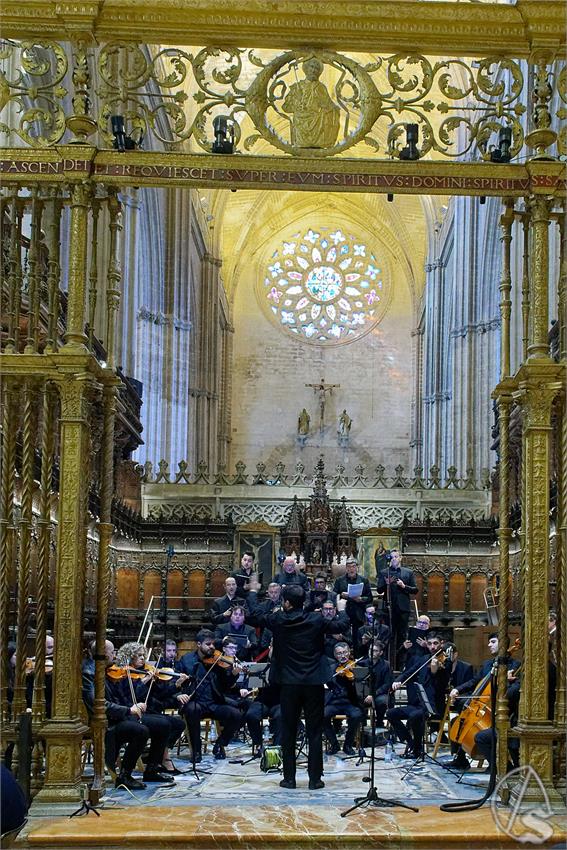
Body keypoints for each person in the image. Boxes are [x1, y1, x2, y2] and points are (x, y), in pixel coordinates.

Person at [247, 583, 349, 790]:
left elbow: (255, 616)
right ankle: (315, 779)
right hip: (313, 683)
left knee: (289, 730)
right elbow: (341, 626)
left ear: (286, 602)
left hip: (288, 683)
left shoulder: (278, 619)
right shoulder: (316, 619)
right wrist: (342, 608)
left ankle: (289, 779)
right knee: (314, 731)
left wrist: (253, 592)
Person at [82, 639, 173, 790]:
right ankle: (125, 775)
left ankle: (151, 769)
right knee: (140, 730)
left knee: (163, 724)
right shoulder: (89, 672)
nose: (115, 655)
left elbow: (119, 696)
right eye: (112, 652)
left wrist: (132, 705)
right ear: (103, 653)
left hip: (120, 715)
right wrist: (128, 710)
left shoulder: (106, 669)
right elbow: (98, 703)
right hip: (107, 721)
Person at [445, 634, 520, 771]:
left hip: (501, 710)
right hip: (482, 706)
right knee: (457, 722)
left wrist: (504, 680)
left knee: (476, 730)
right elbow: (475, 682)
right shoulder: (487, 665)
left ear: (503, 644)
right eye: (489, 642)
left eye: (493, 642)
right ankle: (460, 759)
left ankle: (497, 765)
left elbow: (512, 692)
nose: (489, 645)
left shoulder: (514, 665)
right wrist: (457, 689)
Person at [176, 629, 243, 762]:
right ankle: (196, 751)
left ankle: (220, 743)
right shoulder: (186, 660)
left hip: (214, 702)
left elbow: (225, 685)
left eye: (213, 644)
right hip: (195, 702)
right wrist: (179, 692)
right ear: (199, 644)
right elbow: (175, 682)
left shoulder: (218, 661)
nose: (212, 647)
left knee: (237, 715)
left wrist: (234, 674)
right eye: (208, 644)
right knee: (192, 710)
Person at [386, 633, 450, 759]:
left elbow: (441, 685)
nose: (432, 647)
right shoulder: (423, 659)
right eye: (430, 643)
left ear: (441, 643)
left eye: (435, 643)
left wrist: (434, 671)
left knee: (415, 716)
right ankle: (411, 743)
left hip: (433, 706)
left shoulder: (446, 662)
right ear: (426, 643)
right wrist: (397, 680)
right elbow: (408, 672)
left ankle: (417, 749)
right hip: (417, 704)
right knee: (391, 713)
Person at [282, 57, 340, 149]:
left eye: (316, 68)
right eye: (312, 67)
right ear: (306, 69)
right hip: (301, 125)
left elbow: (329, 105)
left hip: (318, 126)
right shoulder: (297, 87)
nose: (314, 70)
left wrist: (333, 108)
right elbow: (286, 107)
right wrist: (297, 105)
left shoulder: (321, 88)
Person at [376, 549, 418, 664]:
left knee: (402, 636)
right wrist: (386, 584)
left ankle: (400, 663)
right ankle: (387, 662)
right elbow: (379, 590)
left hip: (403, 609)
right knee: (389, 635)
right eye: (392, 557)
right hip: (388, 609)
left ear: (400, 558)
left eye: (396, 556)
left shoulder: (408, 572)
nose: (394, 559)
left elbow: (415, 590)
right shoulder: (384, 572)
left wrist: (404, 586)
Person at [324, 643, 363, 756]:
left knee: (356, 715)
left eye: (345, 652)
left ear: (349, 653)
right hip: (334, 702)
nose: (343, 656)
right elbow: (326, 684)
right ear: (335, 655)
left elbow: (361, 689)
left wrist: (352, 680)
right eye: (339, 653)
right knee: (322, 715)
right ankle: (334, 744)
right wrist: (333, 678)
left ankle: (348, 744)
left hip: (350, 702)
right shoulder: (331, 669)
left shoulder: (356, 668)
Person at [333, 557, 372, 654]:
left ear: (357, 568)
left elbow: (369, 598)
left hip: (358, 614)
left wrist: (360, 599)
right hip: (344, 613)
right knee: (344, 638)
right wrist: (341, 595)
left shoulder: (363, 580)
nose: (351, 569)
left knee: (357, 639)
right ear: (346, 568)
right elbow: (333, 595)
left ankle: (357, 658)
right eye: (349, 567)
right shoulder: (339, 580)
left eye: (353, 566)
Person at [362, 640, 392, 733]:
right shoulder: (362, 663)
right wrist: (367, 694)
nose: (372, 652)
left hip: (379, 692)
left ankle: (379, 722)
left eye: (375, 650)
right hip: (365, 692)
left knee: (382, 701)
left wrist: (373, 694)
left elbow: (387, 684)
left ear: (381, 652)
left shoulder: (386, 665)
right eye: (371, 649)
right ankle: (361, 724)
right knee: (357, 700)